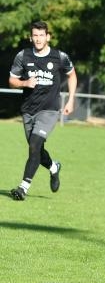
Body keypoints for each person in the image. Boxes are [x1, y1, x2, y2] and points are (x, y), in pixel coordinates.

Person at [8, 21, 77, 200]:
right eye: (35, 36)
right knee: (36, 150)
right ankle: (54, 167)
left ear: (48, 37)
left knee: (34, 145)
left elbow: (72, 75)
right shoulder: (22, 56)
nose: (38, 39)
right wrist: (25, 83)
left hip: (49, 109)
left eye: (41, 35)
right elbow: (12, 80)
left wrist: (70, 100)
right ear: (31, 37)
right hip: (28, 110)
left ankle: (23, 188)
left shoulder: (59, 57)